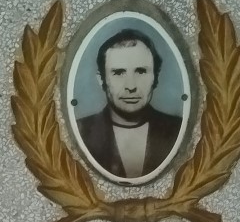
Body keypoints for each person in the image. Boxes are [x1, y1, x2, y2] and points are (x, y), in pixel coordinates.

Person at [74, 29, 184, 183]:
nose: (131, 86)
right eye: (119, 73)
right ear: (101, 80)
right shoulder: (80, 132)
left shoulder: (179, 130)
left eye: (141, 71)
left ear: (155, 77)